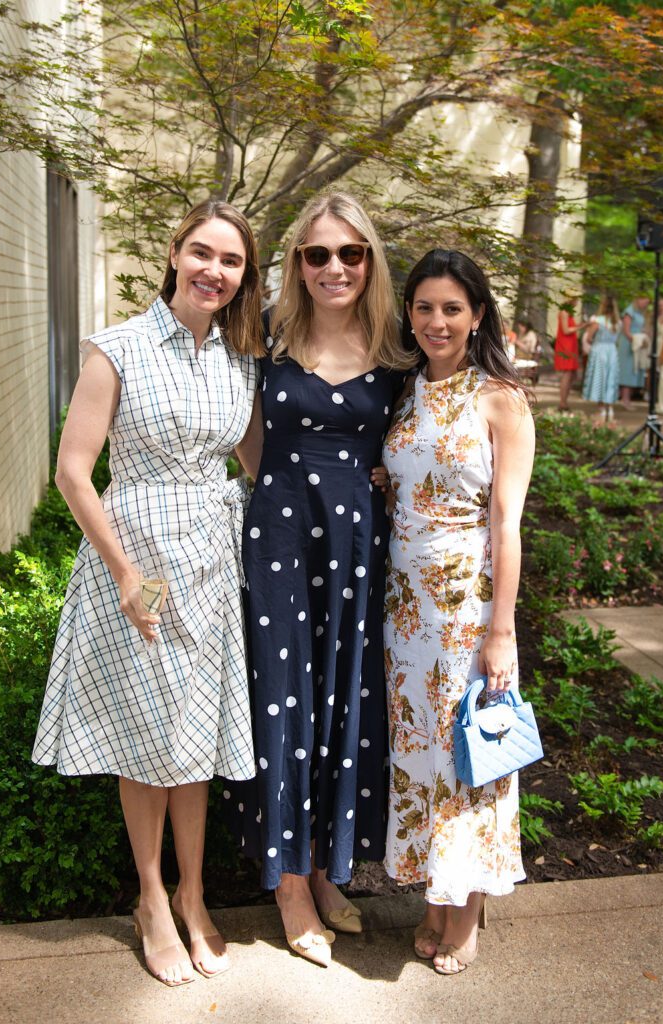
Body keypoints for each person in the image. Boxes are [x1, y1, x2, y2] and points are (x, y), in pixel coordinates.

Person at [32, 201, 264, 986]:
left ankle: (195, 893)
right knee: (149, 736)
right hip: (145, 563)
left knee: (193, 735)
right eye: (201, 253)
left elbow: (258, 463)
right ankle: (152, 900)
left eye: (230, 261)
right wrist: (127, 576)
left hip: (212, 563)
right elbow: (73, 471)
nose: (213, 271)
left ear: (243, 275)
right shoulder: (118, 348)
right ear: (174, 253)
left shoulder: (240, 359)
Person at [228, 190, 414, 967]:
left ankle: (329, 865)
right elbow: (243, 437)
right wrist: (287, 488)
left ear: (368, 261)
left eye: (349, 253)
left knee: (345, 699)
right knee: (284, 701)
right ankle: (290, 886)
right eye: (316, 254)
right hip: (279, 540)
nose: (333, 266)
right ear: (296, 265)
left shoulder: (397, 345)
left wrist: (367, 482)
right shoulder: (264, 339)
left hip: (359, 548)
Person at [383, 249, 535, 975]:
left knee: (466, 755)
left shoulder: (499, 397)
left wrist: (501, 631)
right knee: (419, 755)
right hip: (402, 610)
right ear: (407, 315)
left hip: (467, 609)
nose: (436, 321)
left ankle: (467, 906)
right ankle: (434, 899)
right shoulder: (404, 390)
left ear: (476, 315)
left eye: (451, 308)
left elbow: (506, 524)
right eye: (424, 307)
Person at [582, 294, 621, 424]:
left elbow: (588, 337)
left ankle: (601, 408)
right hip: (612, 351)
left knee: (600, 378)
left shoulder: (598, 321)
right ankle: (610, 408)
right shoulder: (618, 322)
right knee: (610, 378)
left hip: (600, 350)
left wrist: (594, 340)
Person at [554, 297, 590, 411]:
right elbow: (566, 330)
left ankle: (564, 401)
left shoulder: (569, 313)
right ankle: (562, 402)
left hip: (570, 345)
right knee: (567, 374)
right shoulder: (564, 312)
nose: (577, 303)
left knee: (571, 375)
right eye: (576, 300)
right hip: (565, 346)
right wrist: (581, 326)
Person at [616, 294, 649, 408]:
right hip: (628, 346)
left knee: (634, 372)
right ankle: (625, 400)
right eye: (645, 301)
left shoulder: (640, 313)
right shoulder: (629, 312)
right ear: (638, 299)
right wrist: (636, 340)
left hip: (636, 345)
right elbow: (626, 331)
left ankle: (627, 399)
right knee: (627, 372)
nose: (646, 304)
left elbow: (639, 328)